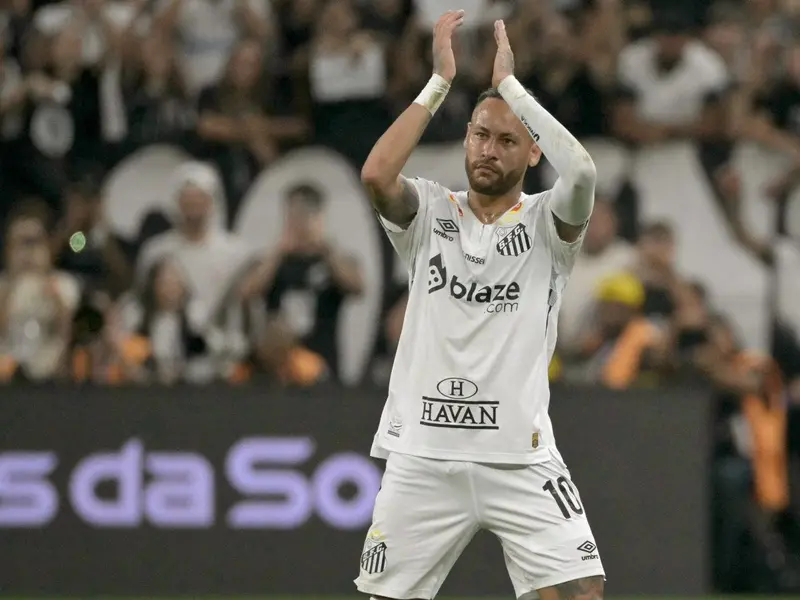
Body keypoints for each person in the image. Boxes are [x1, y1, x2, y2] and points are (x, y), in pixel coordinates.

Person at [356, 10, 603, 600]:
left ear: (533, 153)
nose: (489, 150)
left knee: (581, 592)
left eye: (508, 140)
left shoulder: (548, 224)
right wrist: (439, 82)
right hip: (422, 454)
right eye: (480, 135)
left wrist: (511, 87)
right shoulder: (429, 212)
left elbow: (582, 170)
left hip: (518, 455)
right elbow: (376, 174)